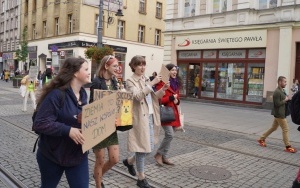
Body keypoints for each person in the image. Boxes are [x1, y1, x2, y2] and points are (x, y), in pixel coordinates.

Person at [32, 57, 90, 188]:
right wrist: (68, 130)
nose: (89, 72)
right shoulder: (56, 94)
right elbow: (40, 122)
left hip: (77, 155)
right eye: (86, 69)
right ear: (75, 73)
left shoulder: (83, 95)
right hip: (52, 155)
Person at [122, 55, 169, 188]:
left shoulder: (145, 78)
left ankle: (130, 161)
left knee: (150, 147)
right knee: (143, 149)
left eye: (144, 64)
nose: (142, 67)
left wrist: (163, 90)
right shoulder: (130, 81)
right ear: (133, 66)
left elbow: (152, 96)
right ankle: (141, 178)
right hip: (139, 118)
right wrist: (152, 83)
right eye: (139, 65)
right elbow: (137, 96)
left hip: (150, 116)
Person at [89, 55, 120, 188]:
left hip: (111, 126)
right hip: (99, 126)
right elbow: (92, 103)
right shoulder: (96, 82)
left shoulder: (114, 82)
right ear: (106, 66)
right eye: (114, 66)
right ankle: (98, 185)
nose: (117, 68)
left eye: (118, 66)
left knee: (114, 159)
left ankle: (98, 174)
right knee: (100, 160)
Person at [258, 76, 297, 153]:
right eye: (284, 82)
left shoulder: (282, 90)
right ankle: (288, 146)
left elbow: (283, 100)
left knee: (273, 128)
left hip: (280, 113)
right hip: (279, 114)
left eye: (286, 82)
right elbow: (276, 104)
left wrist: (288, 98)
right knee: (285, 129)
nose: (286, 83)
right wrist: (285, 100)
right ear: (280, 82)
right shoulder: (277, 92)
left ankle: (261, 139)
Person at [154, 63, 181, 166]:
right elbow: (158, 99)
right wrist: (170, 98)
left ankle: (164, 156)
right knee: (170, 135)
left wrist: (177, 101)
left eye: (175, 70)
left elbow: (178, 98)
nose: (174, 72)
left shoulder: (176, 83)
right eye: (172, 70)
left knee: (170, 136)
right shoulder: (162, 83)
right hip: (165, 113)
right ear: (168, 71)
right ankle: (159, 154)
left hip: (173, 113)